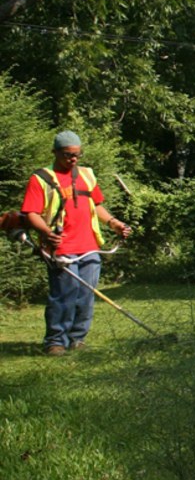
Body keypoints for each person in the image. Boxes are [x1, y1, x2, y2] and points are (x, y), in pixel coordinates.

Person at [22, 131, 132, 355]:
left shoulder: (87, 175)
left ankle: (77, 339)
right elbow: (31, 213)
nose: (73, 159)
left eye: (77, 155)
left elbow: (96, 205)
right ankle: (55, 342)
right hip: (60, 247)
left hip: (89, 246)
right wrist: (45, 232)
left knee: (86, 296)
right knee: (64, 296)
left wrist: (113, 223)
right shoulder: (41, 178)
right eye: (67, 155)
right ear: (55, 152)